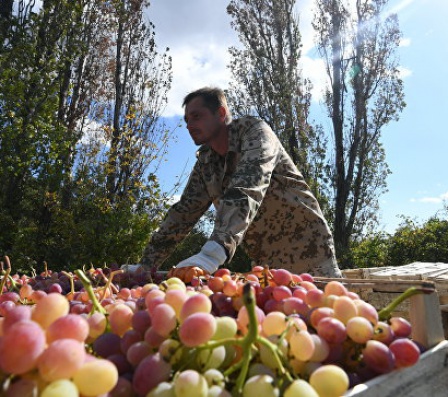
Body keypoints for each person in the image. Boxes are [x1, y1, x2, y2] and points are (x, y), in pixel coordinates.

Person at [140, 86, 342, 279]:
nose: (189, 126)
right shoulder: (206, 162)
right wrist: (146, 265)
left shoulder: (255, 133)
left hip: (311, 256)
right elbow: (182, 215)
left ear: (220, 113)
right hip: (267, 267)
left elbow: (248, 187)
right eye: (186, 120)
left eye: (196, 117)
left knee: (324, 314)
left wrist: (213, 253)